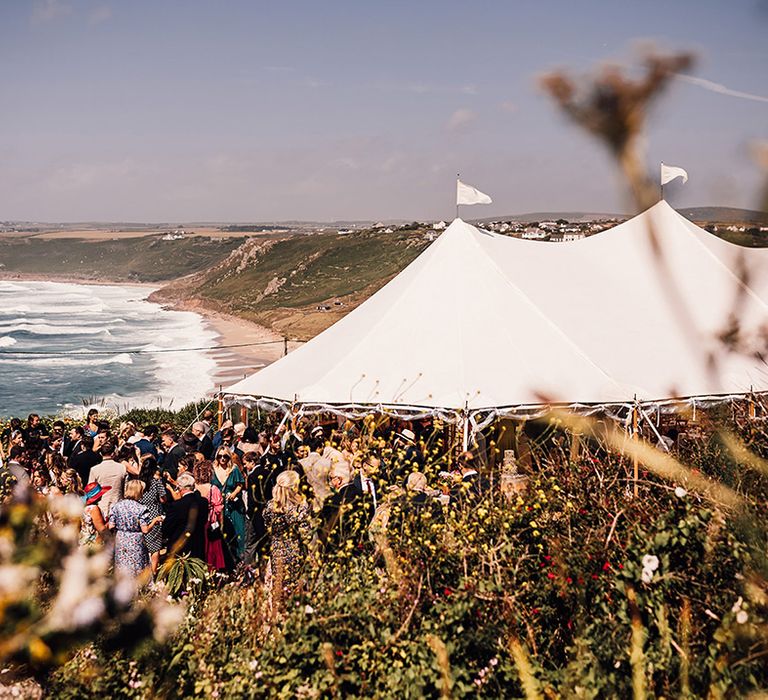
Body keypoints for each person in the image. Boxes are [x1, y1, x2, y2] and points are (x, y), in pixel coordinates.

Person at [263, 470, 312, 611]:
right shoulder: (300, 506)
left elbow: (268, 527)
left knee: (278, 590)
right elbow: (305, 534)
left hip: (276, 552)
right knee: (295, 589)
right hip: (295, 552)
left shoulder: (270, 507)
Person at [109, 479, 163, 578]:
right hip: (135, 540)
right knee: (137, 567)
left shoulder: (116, 506)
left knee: (122, 566)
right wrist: (154, 521)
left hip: (120, 539)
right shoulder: (141, 509)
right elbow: (145, 530)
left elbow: (111, 526)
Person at [162, 472, 209, 561]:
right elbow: (204, 520)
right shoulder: (203, 502)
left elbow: (166, 528)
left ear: (180, 488)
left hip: (180, 548)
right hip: (198, 546)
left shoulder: (177, 505)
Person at [211, 450, 246, 563]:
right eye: (220, 456)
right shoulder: (213, 469)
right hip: (218, 505)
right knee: (220, 531)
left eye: (225, 456)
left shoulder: (234, 469)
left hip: (233, 505)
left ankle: (239, 559)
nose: (222, 459)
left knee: (237, 530)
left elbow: (240, 484)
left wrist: (234, 493)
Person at [193, 459, 226, 570]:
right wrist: (221, 525)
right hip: (210, 522)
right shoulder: (213, 489)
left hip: (196, 522)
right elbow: (219, 510)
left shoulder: (194, 488)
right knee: (212, 550)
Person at [136, 456, 166, 575]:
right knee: (155, 546)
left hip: (140, 513)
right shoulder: (156, 482)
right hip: (154, 513)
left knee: (142, 544)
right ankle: (153, 572)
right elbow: (164, 499)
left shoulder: (138, 482)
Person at [88, 439, 128, 518]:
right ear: (113, 453)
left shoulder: (95, 469)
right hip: (119, 505)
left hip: (102, 507)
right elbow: (126, 489)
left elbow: (91, 492)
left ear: (100, 453)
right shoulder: (122, 468)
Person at [80, 481, 110, 547]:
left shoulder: (84, 508)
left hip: (83, 540)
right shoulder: (94, 508)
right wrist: (110, 523)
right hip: (93, 542)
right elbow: (101, 529)